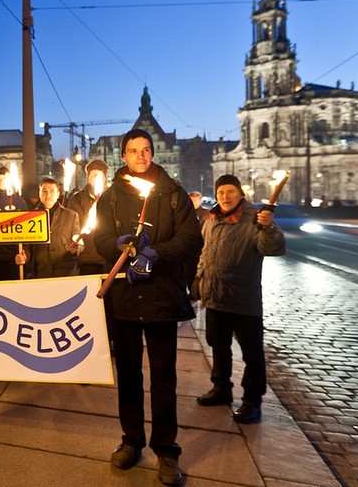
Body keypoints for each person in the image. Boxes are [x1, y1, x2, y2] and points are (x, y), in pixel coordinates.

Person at [93, 128, 203, 486]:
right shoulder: (109, 198)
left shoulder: (172, 193)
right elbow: (101, 238)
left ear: (152, 153)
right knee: (128, 376)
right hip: (124, 300)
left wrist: (157, 253)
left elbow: (190, 239)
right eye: (133, 150)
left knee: (163, 378)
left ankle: (167, 449)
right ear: (122, 156)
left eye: (146, 150)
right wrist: (119, 246)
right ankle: (132, 440)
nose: (140, 155)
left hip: (160, 298)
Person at [194, 175, 285, 424]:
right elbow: (205, 251)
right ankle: (221, 389)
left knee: (252, 353)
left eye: (230, 191)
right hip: (214, 295)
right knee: (218, 346)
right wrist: (198, 280)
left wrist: (269, 227)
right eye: (221, 191)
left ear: (240, 193)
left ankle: (252, 401)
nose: (225, 196)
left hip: (243, 297)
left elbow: (272, 248)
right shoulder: (212, 218)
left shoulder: (254, 218)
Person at [15, 177, 82, 278]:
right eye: (44, 191)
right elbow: (26, 245)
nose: (48, 195)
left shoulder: (71, 216)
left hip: (66, 273)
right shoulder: (29, 217)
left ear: (58, 194)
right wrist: (24, 257)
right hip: (41, 273)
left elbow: (79, 242)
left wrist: (76, 249)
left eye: (52, 191)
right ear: (39, 193)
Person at [67, 159, 109, 275]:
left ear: (105, 177)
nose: (96, 179)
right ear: (87, 177)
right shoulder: (77, 200)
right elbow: (74, 226)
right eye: (93, 175)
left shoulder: (113, 198)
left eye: (99, 176)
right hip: (88, 259)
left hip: (110, 257)